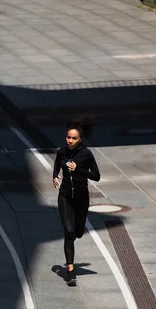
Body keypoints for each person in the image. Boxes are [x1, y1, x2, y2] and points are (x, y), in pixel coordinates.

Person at [53, 115, 101, 286]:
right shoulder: (62, 152)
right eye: (68, 137)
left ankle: (77, 234)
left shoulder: (86, 154)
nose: (70, 141)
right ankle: (70, 271)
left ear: (80, 139)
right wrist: (55, 177)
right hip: (65, 196)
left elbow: (96, 176)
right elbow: (57, 164)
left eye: (74, 138)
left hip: (81, 199)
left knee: (79, 232)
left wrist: (79, 169)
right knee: (69, 232)